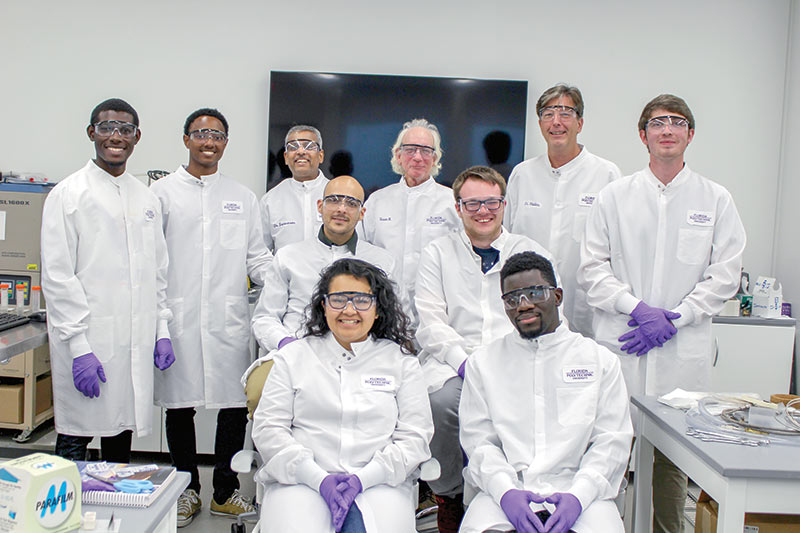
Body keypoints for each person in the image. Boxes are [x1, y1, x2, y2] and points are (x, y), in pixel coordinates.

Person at [578, 94, 746, 533]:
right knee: (607, 450)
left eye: (676, 122)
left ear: (690, 134)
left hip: (680, 350)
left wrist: (676, 317)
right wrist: (639, 310)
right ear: (643, 135)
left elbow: (726, 275)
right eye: (657, 122)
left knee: (673, 458)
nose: (666, 129)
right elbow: (591, 269)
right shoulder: (614, 196)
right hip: (622, 344)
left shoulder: (715, 199)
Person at [414, 166, 555, 533]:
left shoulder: (528, 251)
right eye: (473, 203)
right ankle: (448, 494)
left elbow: (548, 314)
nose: (483, 211)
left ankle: (512, 489)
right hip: (454, 364)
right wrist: (466, 364)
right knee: (441, 404)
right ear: (458, 207)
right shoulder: (437, 252)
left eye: (491, 202)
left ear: (504, 204)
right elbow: (430, 321)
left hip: (517, 360)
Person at [150, 108, 272, 526]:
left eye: (217, 134)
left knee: (234, 406)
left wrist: (288, 281)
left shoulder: (243, 197)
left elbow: (257, 256)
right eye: (201, 133)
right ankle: (186, 491)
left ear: (225, 142)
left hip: (228, 318)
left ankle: (225, 491)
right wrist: (158, 324)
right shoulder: (162, 194)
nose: (209, 141)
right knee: (179, 407)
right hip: (178, 318)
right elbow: (153, 261)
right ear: (186, 139)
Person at [251, 258, 434, 533]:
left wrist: (363, 479)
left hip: (379, 484)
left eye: (362, 300)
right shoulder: (292, 357)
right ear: (323, 305)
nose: (349, 310)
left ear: (378, 308)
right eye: (338, 299)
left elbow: (415, 437)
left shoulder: (402, 362)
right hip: (300, 482)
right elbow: (268, 430)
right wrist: (317, 478)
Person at [459, 251, 633, 533]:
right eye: (512, 298)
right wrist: (506, 493)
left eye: (535, 293)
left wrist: (578, 496)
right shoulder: (484, 363)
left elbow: (612, 442)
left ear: (558, 296)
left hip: (582, 495)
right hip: (505, 494)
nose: (523, 305)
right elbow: (479, 443)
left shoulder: (599, 361)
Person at [40, 98, 174, 462]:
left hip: (135, 336)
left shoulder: (145, 197)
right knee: (77, 432)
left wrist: (161, 329)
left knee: (122, 428)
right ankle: (64, 513)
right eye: (107, 127)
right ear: (91, 133)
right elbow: (57, 277)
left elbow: (157, 270)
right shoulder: (68, 194)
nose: (116, 136)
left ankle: (118, 511)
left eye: (125, 130)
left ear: (136, 137)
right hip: (86, 337)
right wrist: (79, 347)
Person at [504, 84, 621, 337]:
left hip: (585, 312)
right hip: (529, 308)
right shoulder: (522, 175)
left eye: (565, 113)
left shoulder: (607, 175)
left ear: (580, 123)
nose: (556, 122)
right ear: (540, 123)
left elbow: (618, 251)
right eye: (548, 114)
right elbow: (507, 242)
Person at [251, 175, 398, 353]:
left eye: (351, 203)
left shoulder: (381, 261)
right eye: (334, 201)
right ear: (320, 206)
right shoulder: (288, 257)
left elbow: (393, 320)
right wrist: (286, 344)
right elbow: (265, 318)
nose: (341, 209)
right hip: (298, 355)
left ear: (362, 213)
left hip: (360, 360)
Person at [360, 118, 461, 316]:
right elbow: (362, 253)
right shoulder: (376, 201)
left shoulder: (451, 202)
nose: (417, 157)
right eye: (410, 149)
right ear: (398, 155)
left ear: (435, 158)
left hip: (438, 308)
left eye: (425, 150)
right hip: (384, 308)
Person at [260, 125, 328, 252]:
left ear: (321, 155)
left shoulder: (337, 195)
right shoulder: (271, 200)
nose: (301, 152)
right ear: (286, 157)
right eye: (293, 147)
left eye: (309, 146)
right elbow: (261, 253)